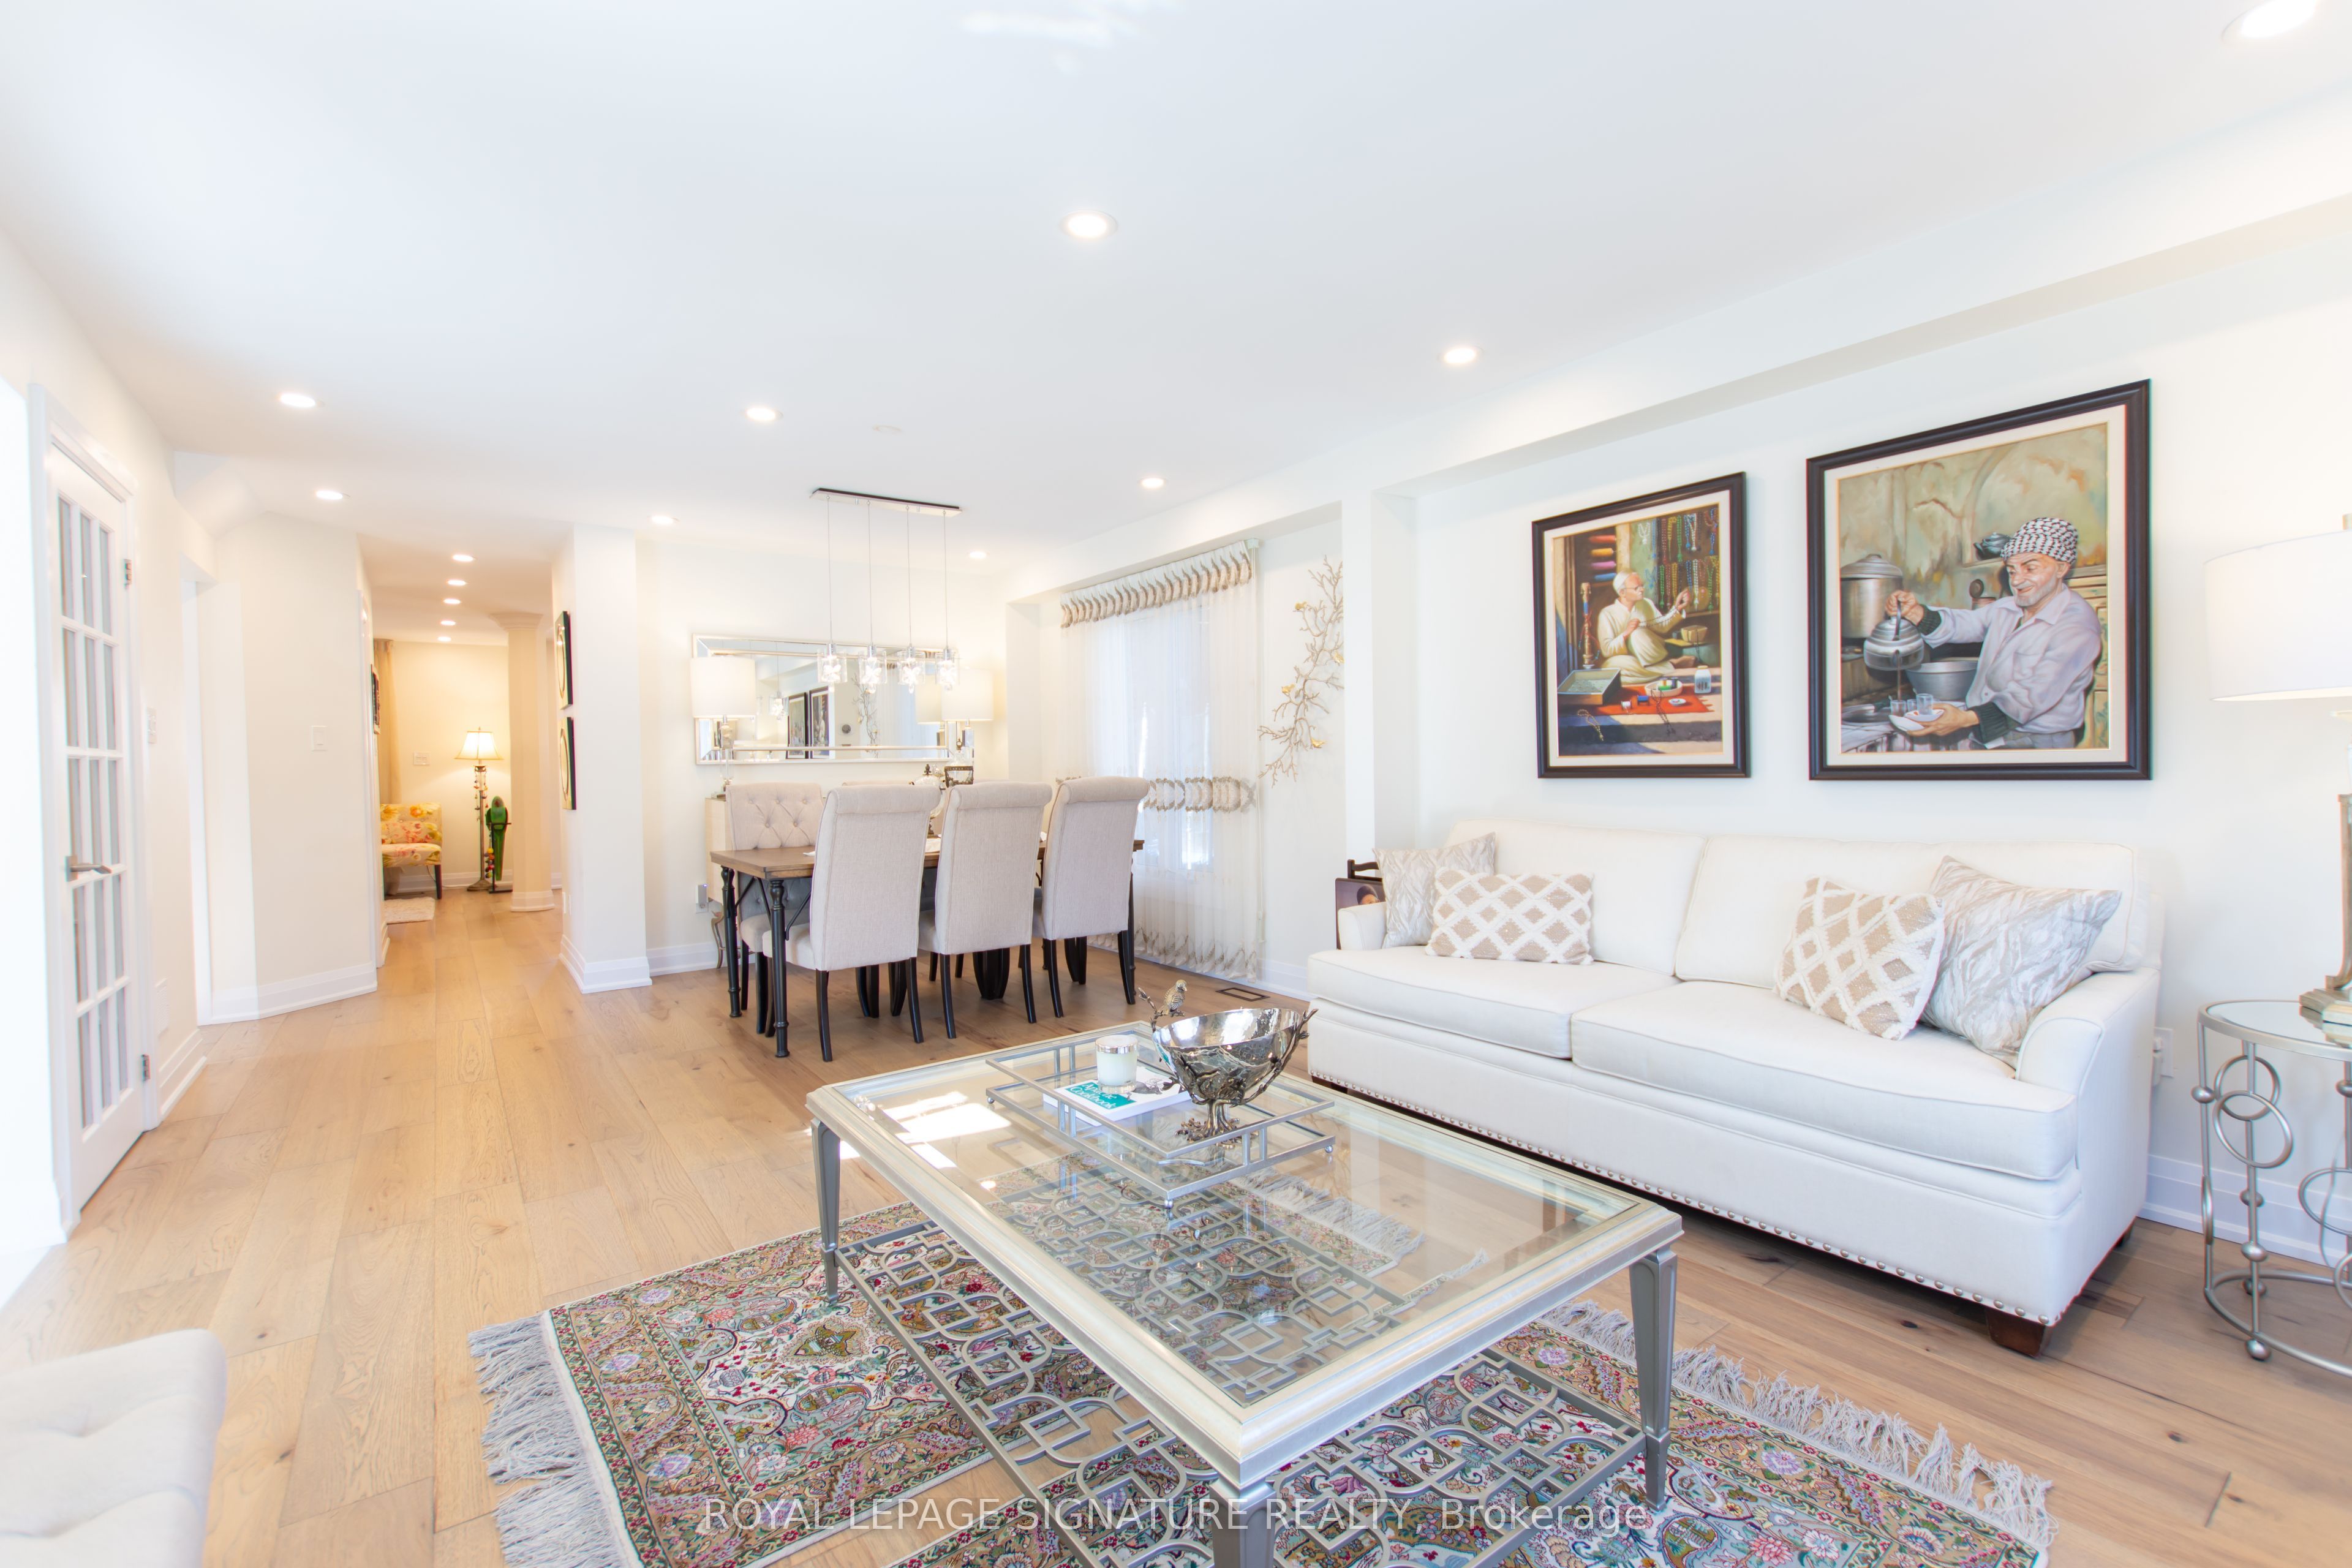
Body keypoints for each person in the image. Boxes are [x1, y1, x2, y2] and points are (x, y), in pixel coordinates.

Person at [1883, 516, 2102, 748]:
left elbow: (2033, 696)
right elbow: (1964, 624)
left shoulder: (2076, 624)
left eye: (2030, 568)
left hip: (2039, 742)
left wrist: (1966, 719)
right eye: (2012, 571)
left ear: (2061, 568)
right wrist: (1916, 613)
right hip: (1988, 732)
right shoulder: (2009, 607)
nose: (2017, 580)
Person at [1595, 571, 1689, 680]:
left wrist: (1677, 608)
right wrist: (1626, 633)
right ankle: (1670, 666)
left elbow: (1662, 626)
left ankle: (1656, 670)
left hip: (1652, 655)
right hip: (1628, 660)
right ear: (1622, 593)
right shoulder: (1607, 614)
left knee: (1637, 634)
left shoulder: (1646, 604)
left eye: (1642, 586)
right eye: (1636, 588)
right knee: (1611, 668)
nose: (1642, 590)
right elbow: (1607, 650)